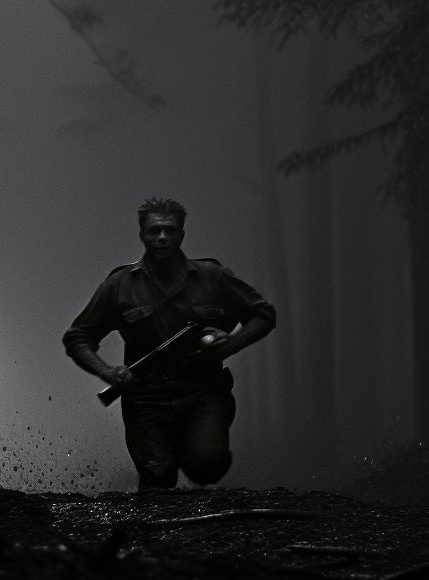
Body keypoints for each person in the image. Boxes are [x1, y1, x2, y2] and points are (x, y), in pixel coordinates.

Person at [63, 197, 275, 489]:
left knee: (206, 465)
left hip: (204, 390)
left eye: (170, 230)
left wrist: (234, 342)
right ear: (142, 235)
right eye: (154, 231)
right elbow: (78, 336)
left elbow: (263, 313)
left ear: (181, 234)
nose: (162, 237)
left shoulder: (213, 277)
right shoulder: (120, 284)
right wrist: (106, 371)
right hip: (146, 396)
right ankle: (148, 530)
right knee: (158, 474)